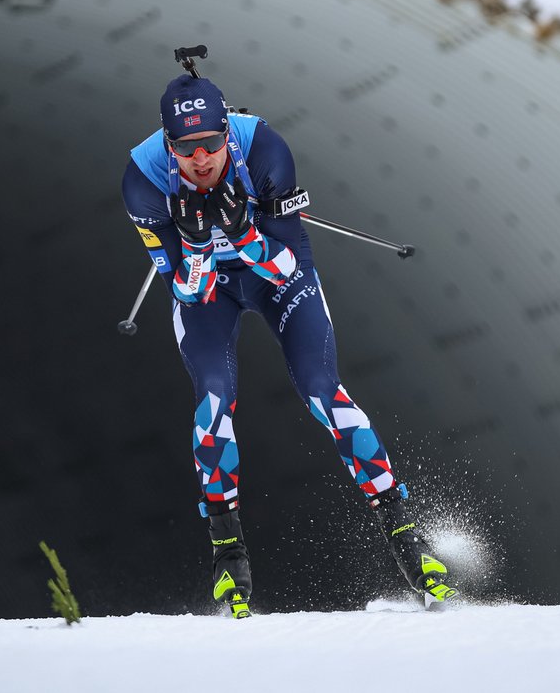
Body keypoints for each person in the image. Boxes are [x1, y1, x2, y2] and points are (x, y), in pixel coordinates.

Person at [121, 74, 457, 618]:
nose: (201, 159)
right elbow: (183, 288)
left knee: (324, 391)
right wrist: (202, 246)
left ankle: (406, 535)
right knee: (212, 402)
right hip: (210, 289)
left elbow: (287, 266)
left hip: (274, 274)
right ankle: (227, 553)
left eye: (210, 143)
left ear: (227, 132)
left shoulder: (264, 150)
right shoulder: (143, 179)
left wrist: (244, 233)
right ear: (167, 143)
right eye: (185, 149)